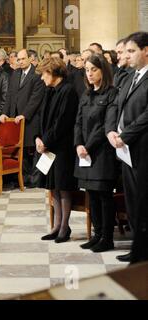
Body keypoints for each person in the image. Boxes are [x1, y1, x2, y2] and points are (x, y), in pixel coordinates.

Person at [105, 31, 148, 263]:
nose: (127, 55)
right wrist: (112, 130)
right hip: (126, 150)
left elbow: (146, 115)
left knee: (142, 202)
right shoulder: (131, 76)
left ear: (146, 50)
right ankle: (137, 249)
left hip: (141, 149)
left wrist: (126, 135)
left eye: (132, 51)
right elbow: (116, 105)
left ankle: (142, 253)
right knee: (132, 201)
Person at [74, 54, 118, 252]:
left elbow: (104, 126)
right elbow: (78, 122)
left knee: (104, 196)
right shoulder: (86, 94)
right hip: (85, 153)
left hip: (102, 153)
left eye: (94, 69)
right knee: (91, 195)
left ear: (103, 70)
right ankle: (97, 234)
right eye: (87, 70)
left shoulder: (111, 93)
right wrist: (78, 145)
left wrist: (87, 146)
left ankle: (107, 238)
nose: (90, 74)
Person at [36, 57, 79, 243]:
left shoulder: (68, 91)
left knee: (63, 187)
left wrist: (46, 141)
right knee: (53, 187)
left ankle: (64, 228)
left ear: (53, 73)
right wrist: (38, 138)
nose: (42, 78)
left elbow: (63, 122)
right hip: (48, 145)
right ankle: (56, 226)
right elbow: (42, 117)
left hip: (62, 147)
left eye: (44, 74)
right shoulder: (49, 90)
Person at [0, 49, 45, 186]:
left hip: (31, 118)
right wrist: (5, 113)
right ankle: (24, 178)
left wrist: (24, 114)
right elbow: (10, 96)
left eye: (22, 59)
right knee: (22, 150)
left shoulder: (37, 74)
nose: (20, 62)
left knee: (33, 150)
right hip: (16, 119)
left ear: (30, 59)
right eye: (18, 59)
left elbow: (35, 98)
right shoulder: (15, 73)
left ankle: (36, 179)